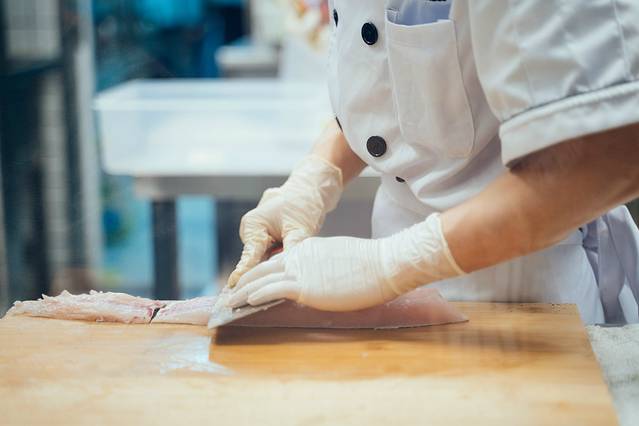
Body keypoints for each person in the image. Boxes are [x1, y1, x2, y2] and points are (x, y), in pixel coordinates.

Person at [226, 0, 639, 324]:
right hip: (398, 294)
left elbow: (607, 155)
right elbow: (393, 85)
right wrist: (315, 179)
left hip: (533, 293)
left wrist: (389, 264)